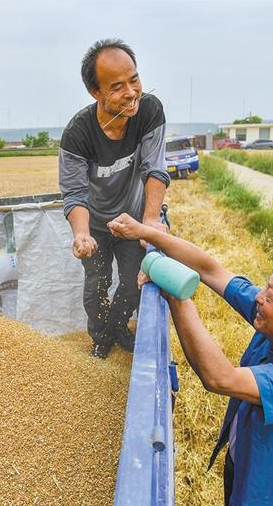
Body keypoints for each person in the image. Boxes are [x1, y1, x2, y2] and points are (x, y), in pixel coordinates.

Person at [107, 213, 273, 506]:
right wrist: (146, 233)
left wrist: (176, 293)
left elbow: (220, 377)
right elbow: (211, 269)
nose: (259, 297)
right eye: (266, 286)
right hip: (247, 465)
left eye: (271, 294)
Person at [59, 38, 170, 359]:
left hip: (134, 219)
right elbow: (75, 191)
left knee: (134, 281)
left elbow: (155, 169)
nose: (131, 92)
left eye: (134, 79)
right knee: (97, 283)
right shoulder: (78, 133)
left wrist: (149, 222)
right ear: (96, 92)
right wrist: (81, 233)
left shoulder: (149, 110)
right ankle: (100, 338)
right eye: (117, 86)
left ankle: (119, 328)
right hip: (94, 223)